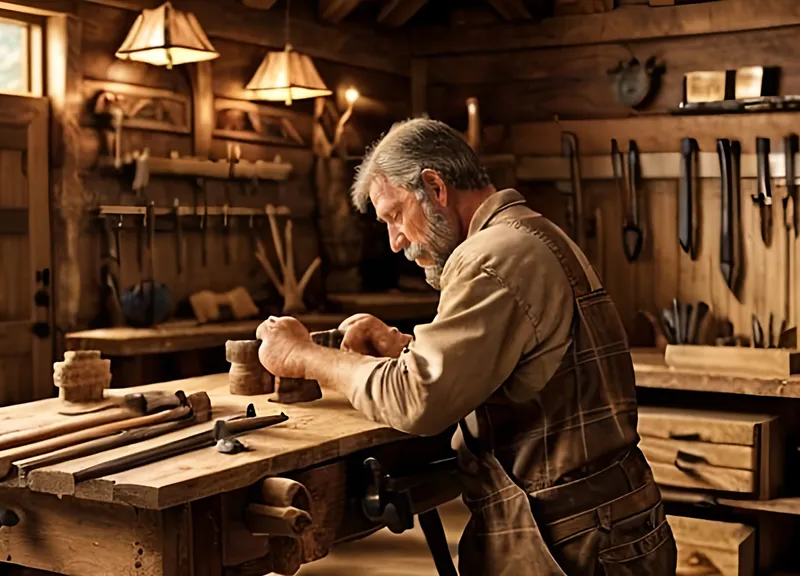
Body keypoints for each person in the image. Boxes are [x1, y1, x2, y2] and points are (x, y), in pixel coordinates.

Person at [256, 118, 676, 575]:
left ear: (435, 187)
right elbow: (523, 364)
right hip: (604, 526)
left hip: (573, 541)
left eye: (395, 216)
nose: (396, 242)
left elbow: (417, 399)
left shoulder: (491, 257)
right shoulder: (533, 233)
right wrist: (403, 349)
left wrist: (303, 356)